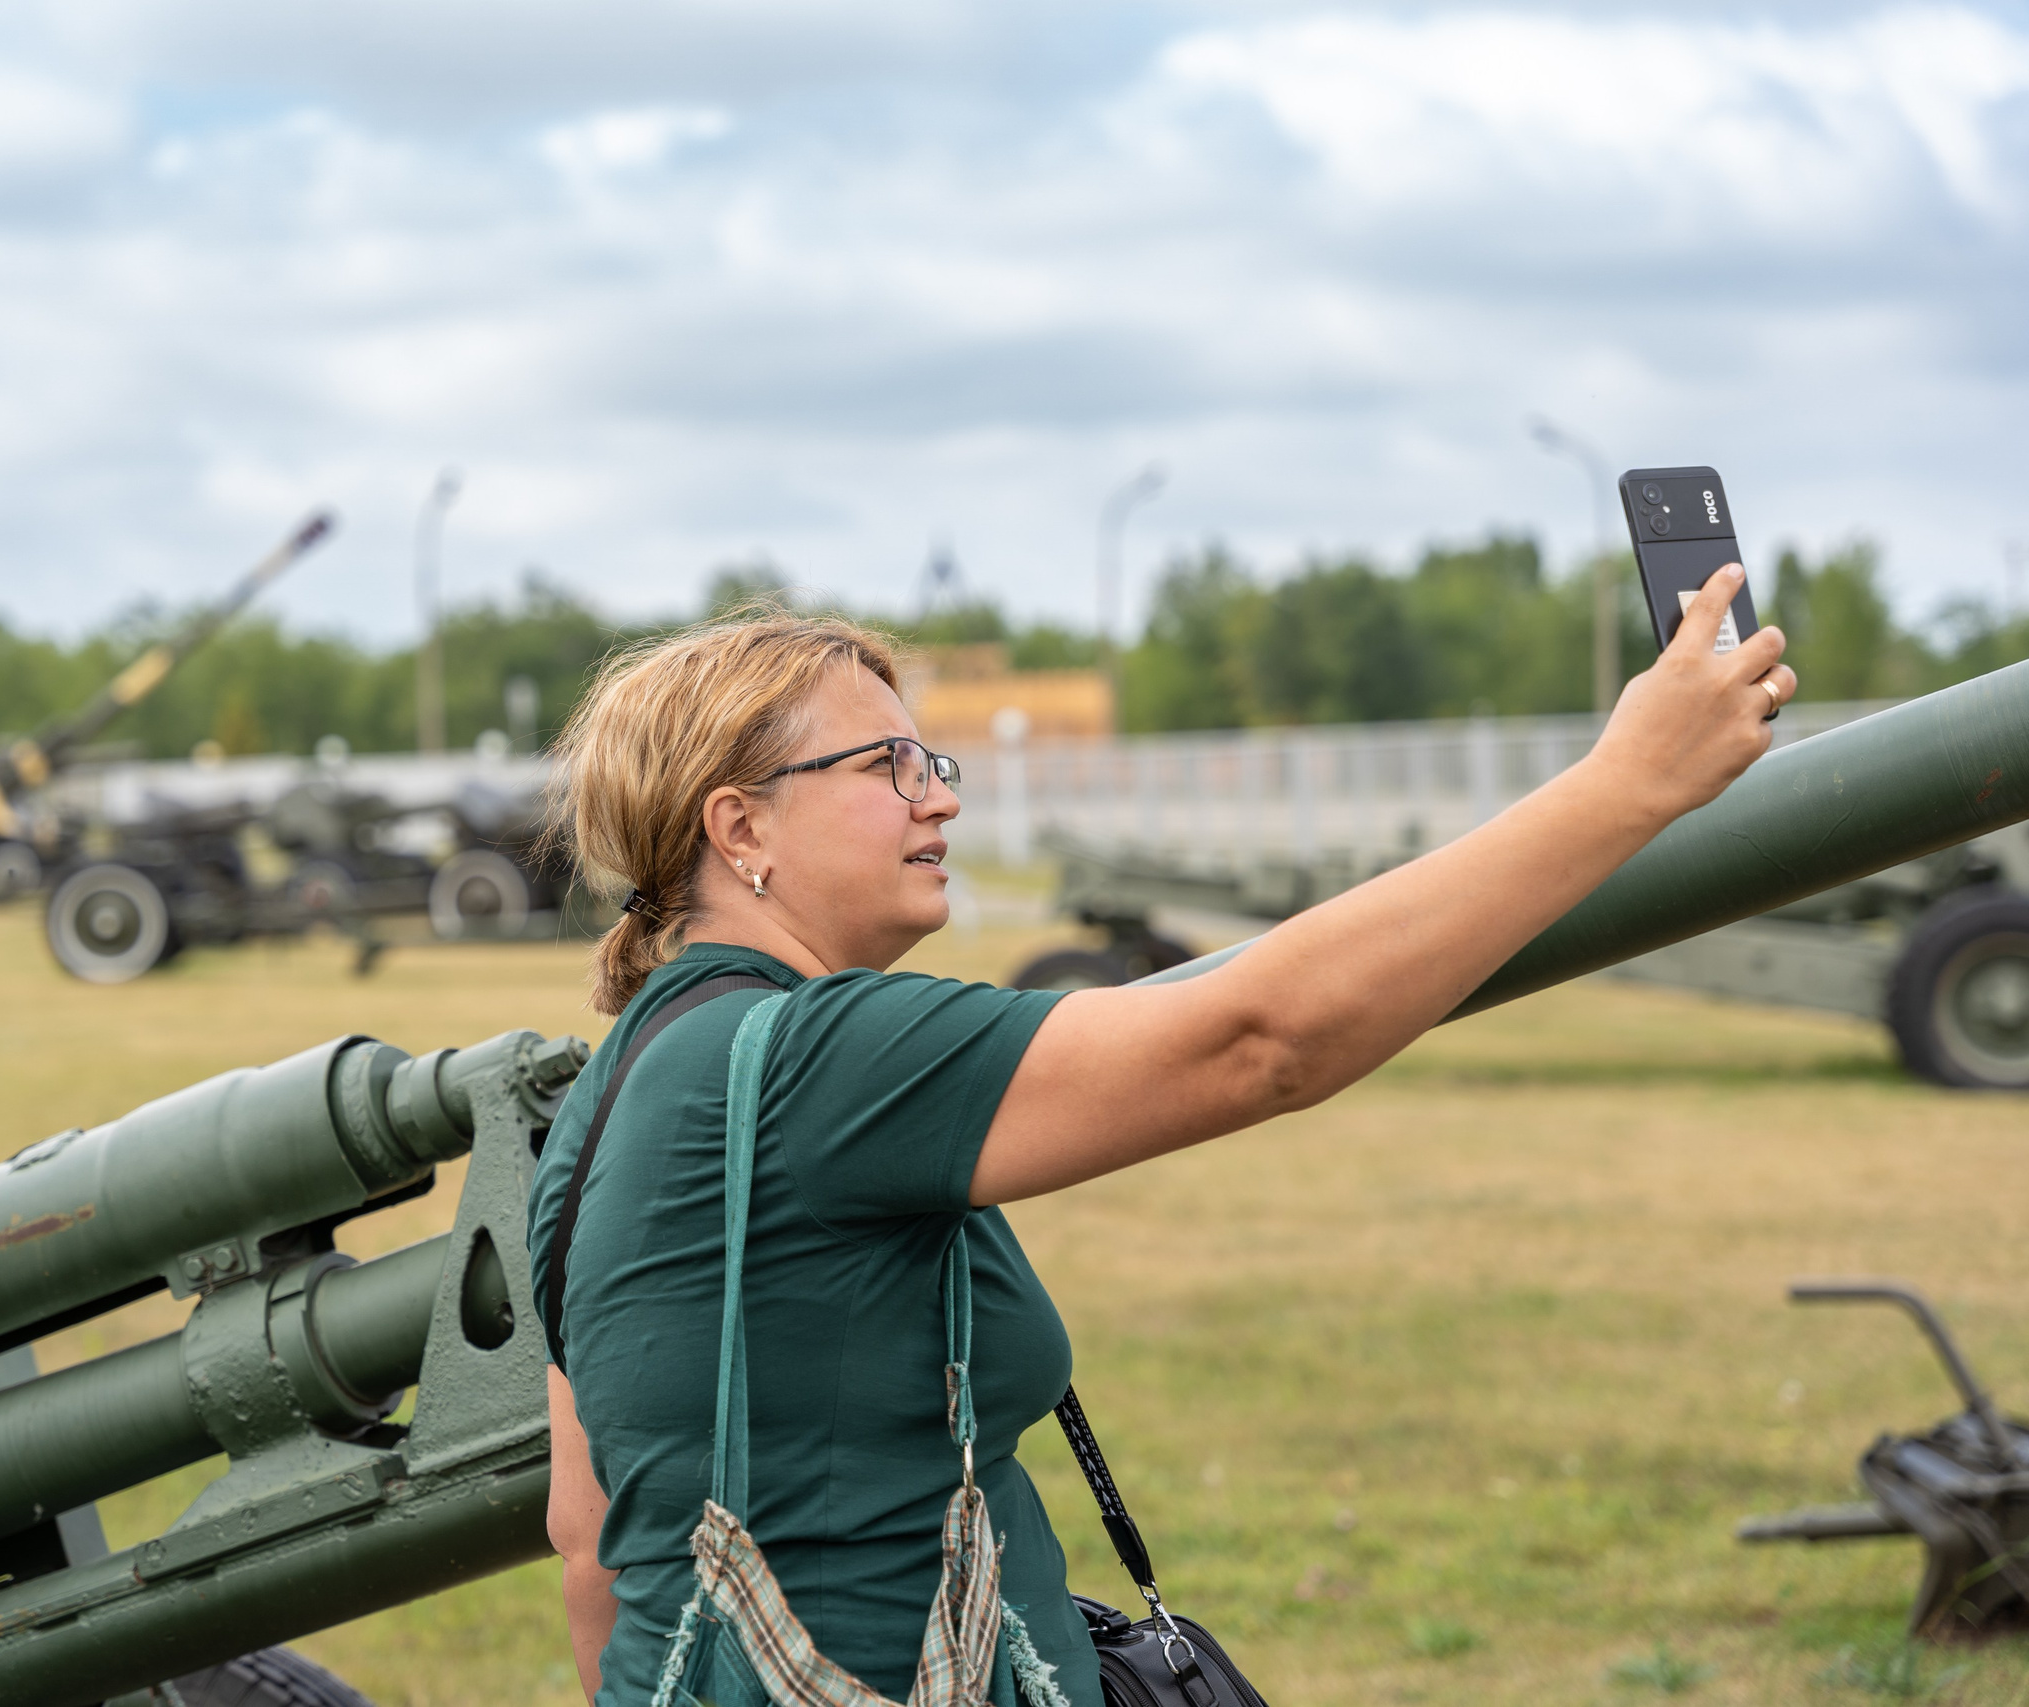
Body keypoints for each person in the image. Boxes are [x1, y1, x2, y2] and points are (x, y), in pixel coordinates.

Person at [531, 569, 1792, 1707]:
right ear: (740, 828)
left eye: (934, 764)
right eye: (887, 769)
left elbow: (591, 1543)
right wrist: (1632, 781)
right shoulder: (819, 1055)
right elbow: (1259, 1040)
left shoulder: (598, 1106)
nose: (938, 801)